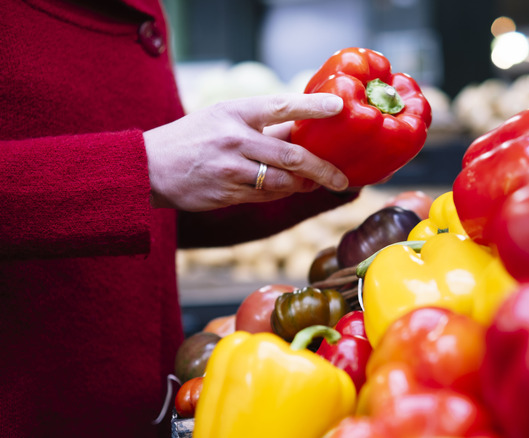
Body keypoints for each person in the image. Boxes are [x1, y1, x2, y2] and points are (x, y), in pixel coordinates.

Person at [0, 1, 363, 437]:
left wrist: (335, 164)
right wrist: (142, 168)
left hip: (135, 406)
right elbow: (147, 178)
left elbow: (161, 207)